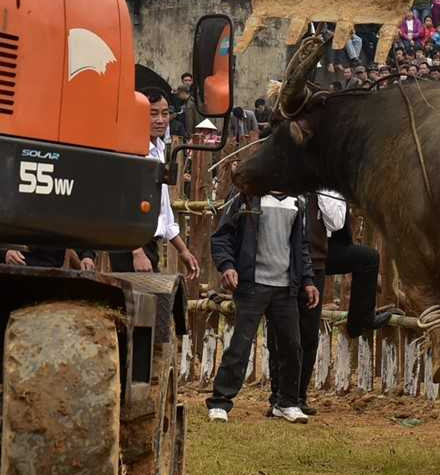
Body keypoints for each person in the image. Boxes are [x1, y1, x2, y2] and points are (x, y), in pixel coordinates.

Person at [266, 191, 392, 416]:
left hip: (315, 258)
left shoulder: (325, 186)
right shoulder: (285, 180)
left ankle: (298, 396)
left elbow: (335, 221)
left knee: (308, 332)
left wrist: (325, 185)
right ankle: (279, 396)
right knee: (280, 331)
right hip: (283, 260)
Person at [207, 190, 318, 422]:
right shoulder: (245, 196)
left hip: (286, 288)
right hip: (252, 285)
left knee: (292, 347)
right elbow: (222, 236)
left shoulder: (298, 200)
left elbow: (302, 246)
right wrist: (227, 265)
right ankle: (220, 403)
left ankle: (286, 402)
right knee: (240, 346)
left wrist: (307, 280)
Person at [108, 91, 200, 278]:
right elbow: (121, 204)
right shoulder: (130, 152)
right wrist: (137, 252)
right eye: (153, 113)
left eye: (165, 113)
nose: (160, 120)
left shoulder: (158, 149)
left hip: (149, 244)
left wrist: (183, 250)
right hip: (130, 247)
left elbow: (163, 208)